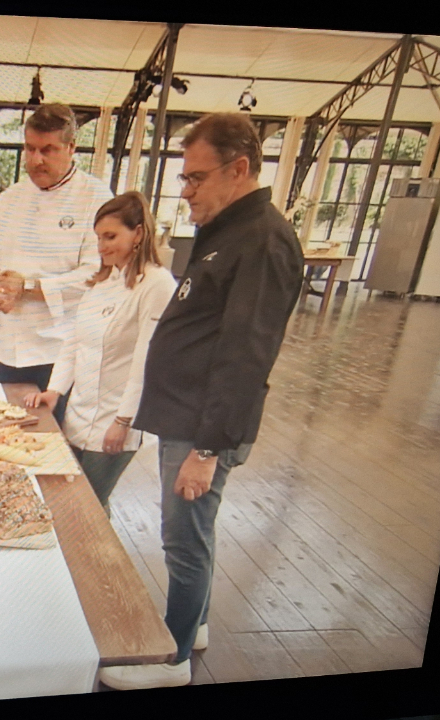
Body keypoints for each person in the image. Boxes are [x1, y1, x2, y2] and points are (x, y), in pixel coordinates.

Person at [97, 113, 305, 690]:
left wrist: (207, 450)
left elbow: (247, 356)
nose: (184, 192)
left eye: (194, 178)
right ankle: (200, 622)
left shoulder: (262, 240)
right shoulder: (229, 231)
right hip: (188, 415)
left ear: (238, 170)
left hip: (203, 426)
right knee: (195, 531)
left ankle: (174, 658)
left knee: (183, 539)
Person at [23, 192, 177, 518]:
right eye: (98, 238)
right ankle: (90, 564)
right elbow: (74, 342)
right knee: (78, 502)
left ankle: (96, 565)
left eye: (111, 236)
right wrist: (55, 390)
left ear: (138, 233)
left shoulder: (157, 284)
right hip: (77, 415)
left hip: (117, 420)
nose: (102, 246)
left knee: (83, 507)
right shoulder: (100, 282)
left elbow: (147, 360)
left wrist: (123, 421)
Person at [0, 104, 114, 426]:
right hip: (9, 346)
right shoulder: (11, 197)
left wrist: (29, 288)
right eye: (30, 149)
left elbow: (97, 272)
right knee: (11, 430)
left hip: (62, 352)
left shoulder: (96, 197)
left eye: (48, 150)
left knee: (53, 439)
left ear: (72, 148)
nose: (36, 160)